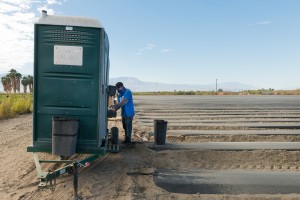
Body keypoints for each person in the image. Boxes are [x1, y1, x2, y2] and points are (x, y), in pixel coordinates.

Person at [111, 82, 135, 146]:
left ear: (121, 87)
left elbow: (123, 102)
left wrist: (115, 107)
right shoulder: (119, 95)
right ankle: (126, 140)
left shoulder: (128, 92)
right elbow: (120, 105)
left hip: (129, 113)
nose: (117, 91)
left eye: (118, 89)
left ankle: (128, 141)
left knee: (128, 127)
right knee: (125, 127)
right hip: (124, 113)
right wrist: (113, 107)